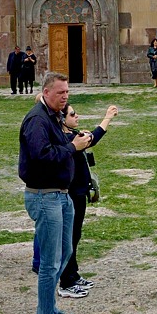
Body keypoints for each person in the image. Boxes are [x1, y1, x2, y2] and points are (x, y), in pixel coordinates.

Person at [19, 71, 91, 314]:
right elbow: (42, 156)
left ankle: (46, 309)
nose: (65, 96)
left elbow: (60, 145)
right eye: (61, 92)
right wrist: (73, 147)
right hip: (44, 195)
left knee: (64, 251)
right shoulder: (37, 120)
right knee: (50, 262)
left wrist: (75, 141)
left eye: (67, 92)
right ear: (46, 93)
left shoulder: (54, 117)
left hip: (61, 194)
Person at [58, 101, 117, 299]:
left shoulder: (72, 137)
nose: (77, 116)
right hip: (72, 195)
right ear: (62, 120)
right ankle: (65, 282)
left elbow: (91, 138)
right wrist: (107, 117)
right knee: (70, 238)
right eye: (72, 114)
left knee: (75, 236)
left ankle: (73, 275)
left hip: (79, 193)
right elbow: (94, 137)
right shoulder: (67, 140)